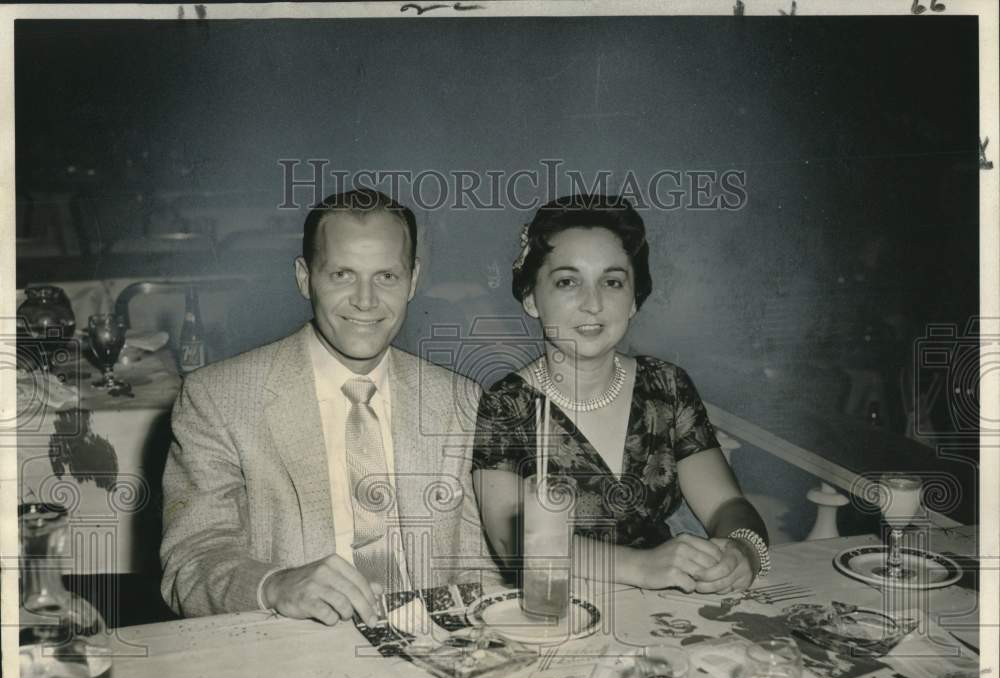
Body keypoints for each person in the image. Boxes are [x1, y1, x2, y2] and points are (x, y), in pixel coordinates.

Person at [161, 189, 496, 622]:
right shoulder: (218, 398)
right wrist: (274, 585)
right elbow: (191, 561)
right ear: (305, 278)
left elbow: (479, 567)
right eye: (341, 274)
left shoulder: (462, 402)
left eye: (386, 277)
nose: (365, 299)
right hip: (292, 655)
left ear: (412, 281)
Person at [472, 195, 769, 594]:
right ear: (531, 298)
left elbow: (726, 506)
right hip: (556, 617)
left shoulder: (666, 386)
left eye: (612, 282)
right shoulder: (506, 404)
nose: (593, 304)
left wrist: (742, 552)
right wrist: (641, 567)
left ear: (633, 300)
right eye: (567, 282)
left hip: (667, 618)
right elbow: (513, 545)